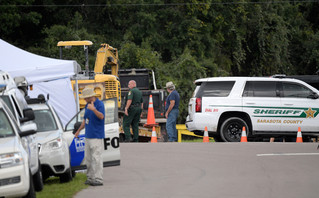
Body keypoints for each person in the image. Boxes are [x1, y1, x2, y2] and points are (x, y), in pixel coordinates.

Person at [74, 86, 105, 186]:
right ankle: (90, 178)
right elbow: (85, 120)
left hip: (96, 135)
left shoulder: (99, 104)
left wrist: (94, 109)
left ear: (90, 97)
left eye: (85, 98)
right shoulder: (87, 105)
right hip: (88, 135)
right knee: (88, 158)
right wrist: (78, 131)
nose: (84, 99)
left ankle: (98, 179)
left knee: (97, 158)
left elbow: (101, 116)